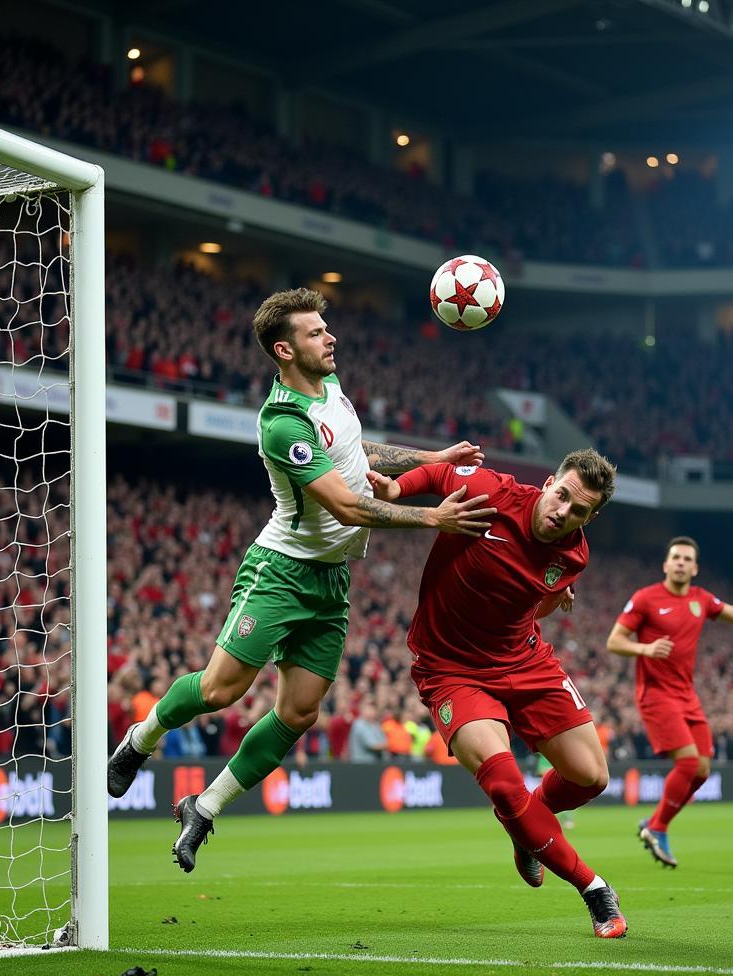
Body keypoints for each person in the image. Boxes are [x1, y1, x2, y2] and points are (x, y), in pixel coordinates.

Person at [107, 287, 496, 872]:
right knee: (220, 692)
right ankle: (139, 741)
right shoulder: (280, 423)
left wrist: (429, 459)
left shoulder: (331, 391)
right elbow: (346, 505)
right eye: (316, 333)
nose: (330, 337)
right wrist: (432, 517)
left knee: (299, 713)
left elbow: (357, 452)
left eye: (326, 328)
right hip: (280, 572)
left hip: (331, 581)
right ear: (284, 350)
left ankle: (204, 807)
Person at [367, 448, 627, 939]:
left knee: (591, 778)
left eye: (579, 511)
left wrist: (555, 598)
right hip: (453, 669)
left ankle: (527, 827)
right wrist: (400, 490)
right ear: (549, 482)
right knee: (506, 785)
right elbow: (442, 472)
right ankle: (594, 890)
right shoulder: (493, 493)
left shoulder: (574, 553)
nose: (563, 513)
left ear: (590, 518)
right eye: (562, 496)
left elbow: (540, 603)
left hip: (523, 659)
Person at [605, 536, 733, 868]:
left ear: (695, 567)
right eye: (675, 557)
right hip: (656, 694)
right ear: (665, 564)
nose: (681, 563)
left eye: (687, 559)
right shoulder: (645, 598)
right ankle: (657, 828)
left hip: (688, 694)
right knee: (688, 764)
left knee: (702, 770)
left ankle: (655, 824)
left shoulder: (701, 599)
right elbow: (614, 640)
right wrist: (644, 649)